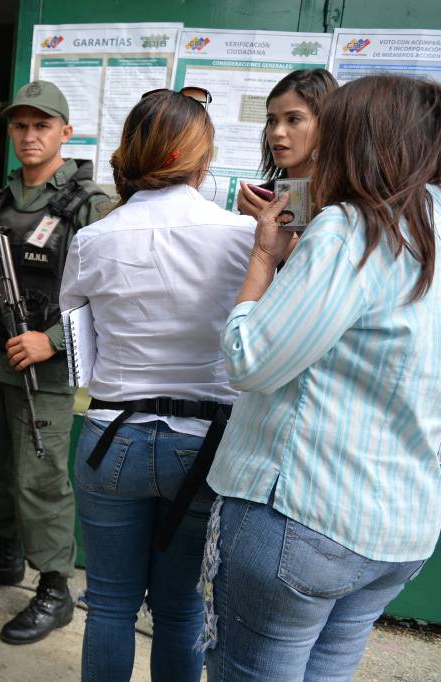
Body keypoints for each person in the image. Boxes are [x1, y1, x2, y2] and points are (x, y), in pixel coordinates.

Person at [201, 74, 441, 680]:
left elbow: (250, 359)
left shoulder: (350, 228)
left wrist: (264, 256)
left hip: (305, 515)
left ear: (362, 140)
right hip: (395, 530)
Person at [59, 88, 255, 681]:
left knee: (110, 607)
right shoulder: (243, 236)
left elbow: (78, 351)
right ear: (203, 157)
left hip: (110, 437)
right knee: (181, 611)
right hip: (207, 443)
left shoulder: (94, 238)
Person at [0, 80, 110, 645]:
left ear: (65, 132)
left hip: (45, 370)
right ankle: (6, 558)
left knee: (40, 482)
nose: (29, 136)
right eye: (20, 125)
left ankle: (55, 588)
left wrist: (53, 342)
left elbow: (110, 295)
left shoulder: (90, 204)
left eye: (42, 126)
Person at [235, 68, 338, 219]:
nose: (277, 132)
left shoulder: (342, 206)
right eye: (272, 121)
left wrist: (279, 229)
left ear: (325, 124)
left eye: (293, 119)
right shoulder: (259, 200)